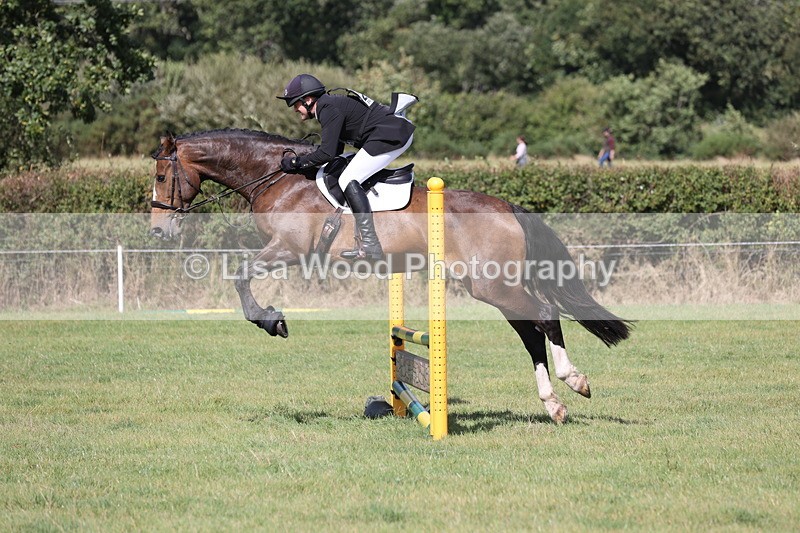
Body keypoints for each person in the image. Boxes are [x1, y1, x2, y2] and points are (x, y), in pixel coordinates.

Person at [277, 74, 415, 261]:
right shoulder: (328, 106)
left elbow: (326, 153)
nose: (294, 109)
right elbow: (334, 151)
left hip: (392, 135)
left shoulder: (327, 108)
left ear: (308, 100)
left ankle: (370, 244)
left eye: (295, 103)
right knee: (343, 169)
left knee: (348, 179)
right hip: (389, 132)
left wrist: (296, 163)